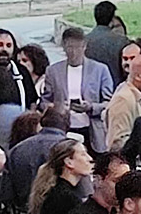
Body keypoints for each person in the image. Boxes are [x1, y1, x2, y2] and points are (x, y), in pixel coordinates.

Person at [45, 25, 117, 153]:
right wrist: (58, 107)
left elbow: (110, 103)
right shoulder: (53, 71)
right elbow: (44, 101)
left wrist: (91, 107)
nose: (74, 52)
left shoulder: (100, 70)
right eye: (70, 47)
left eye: (78, 47)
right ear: (63, 47)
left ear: (84, 46)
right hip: (64, 128)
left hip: (92, 130)